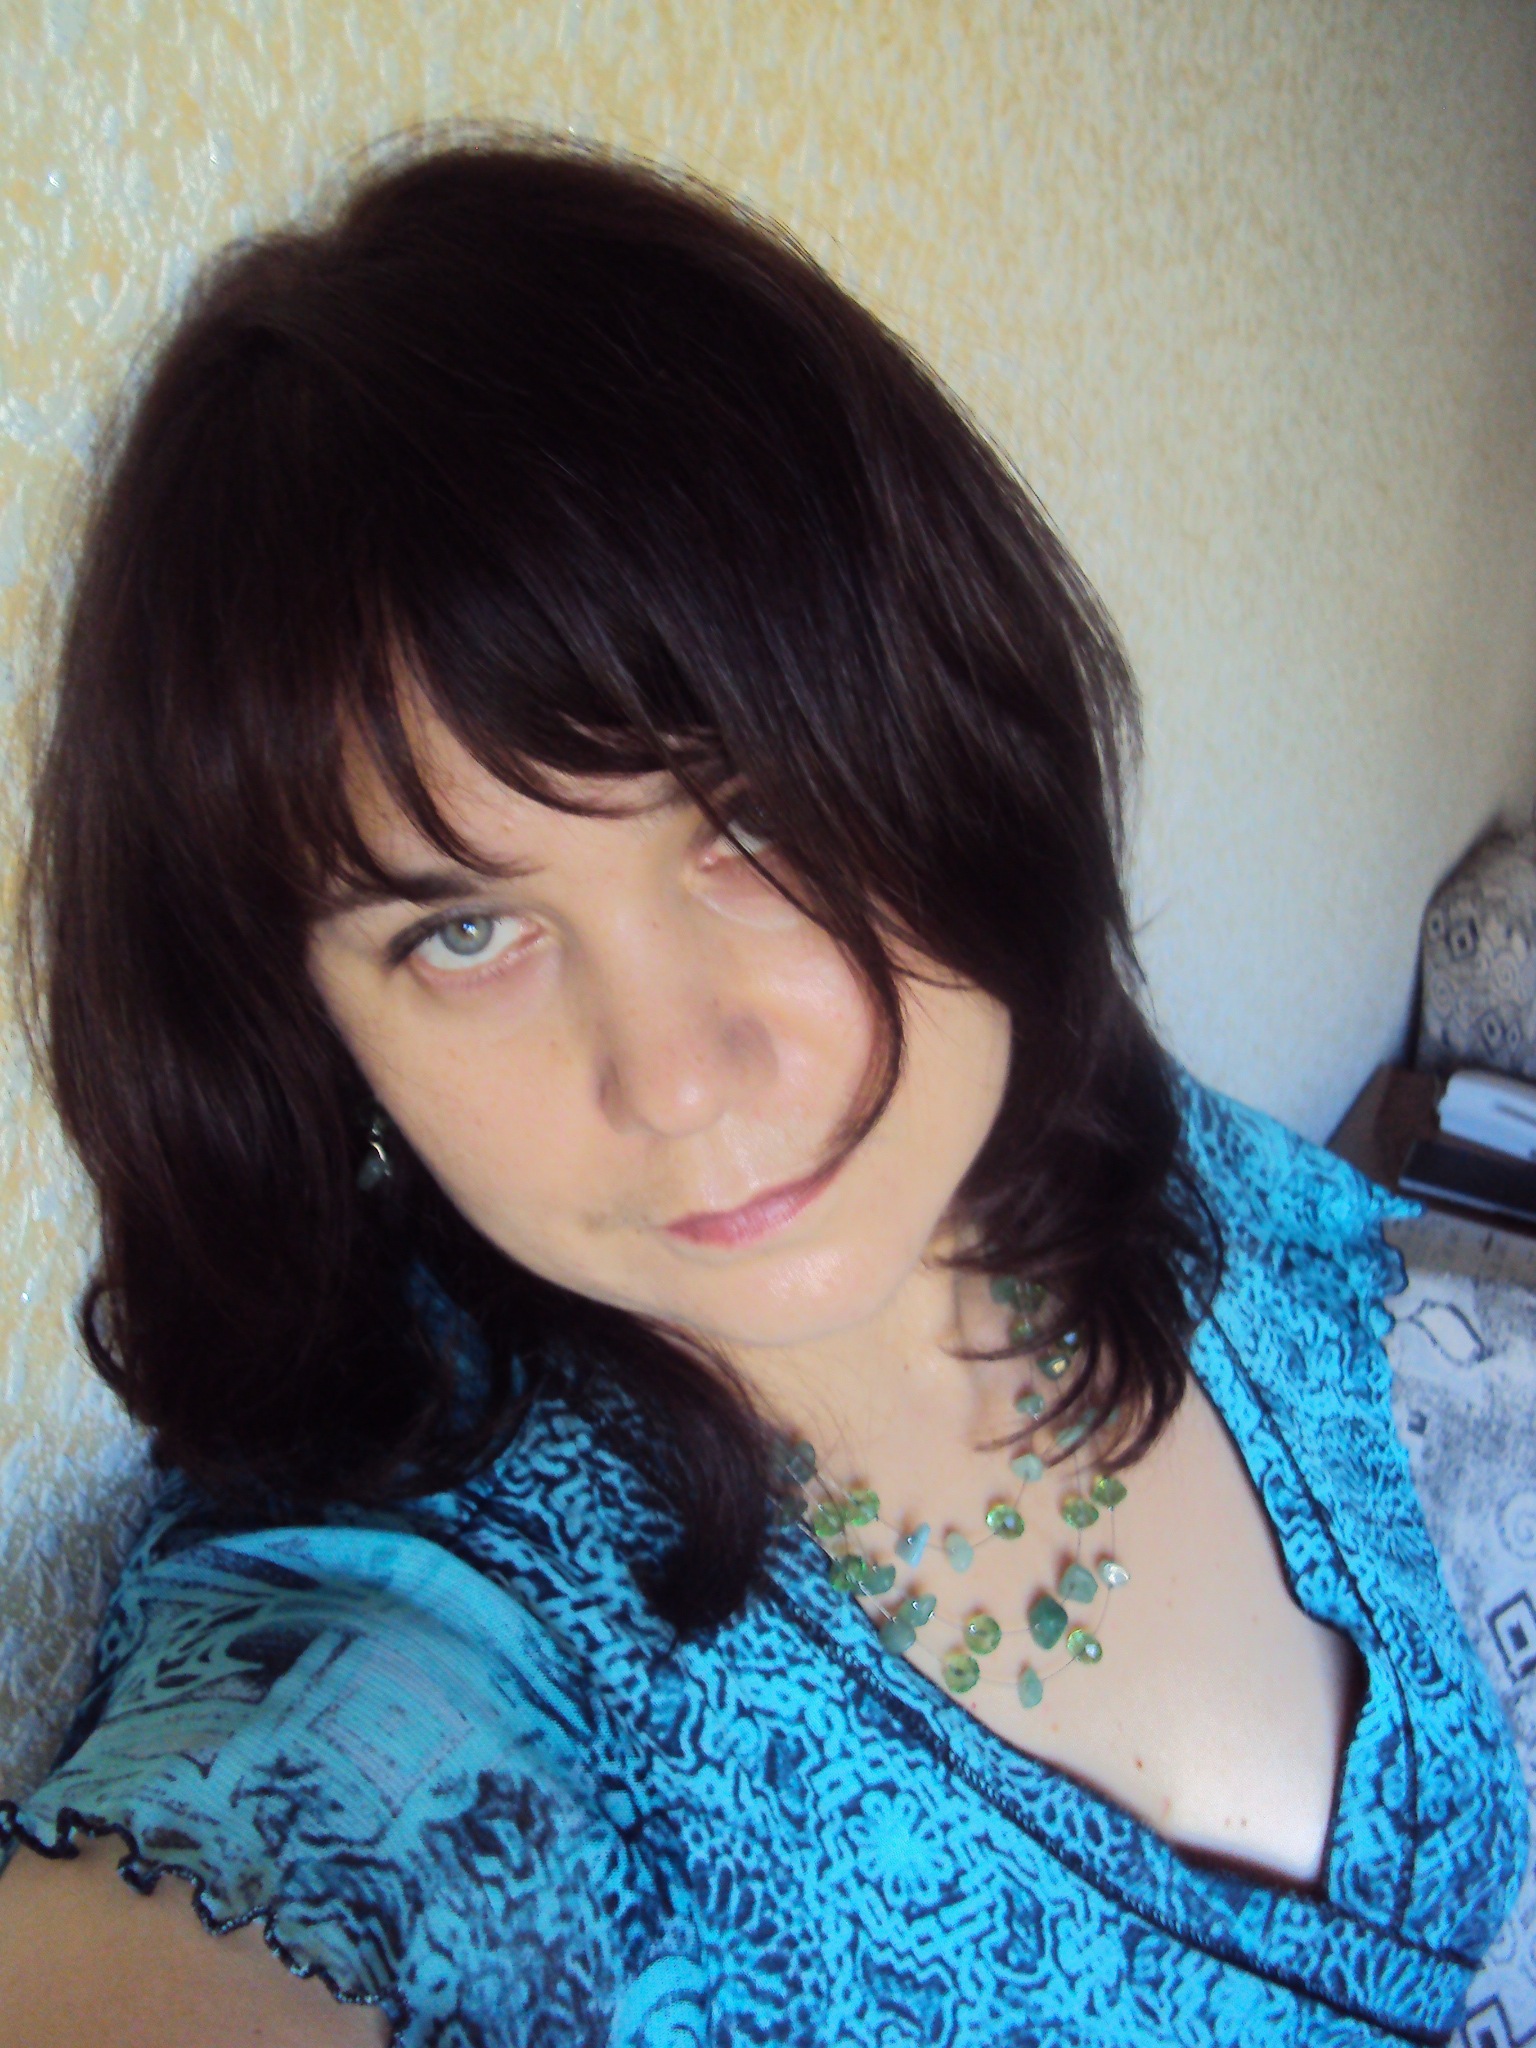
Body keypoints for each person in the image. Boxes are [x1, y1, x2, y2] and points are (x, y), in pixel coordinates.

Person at [0, 131, 1524, 2048]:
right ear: (318, 1031)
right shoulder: (421, 1631)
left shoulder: (1113, 1141)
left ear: (962, 753)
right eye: (463, 931)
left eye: (756, 821)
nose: (675, 1073)